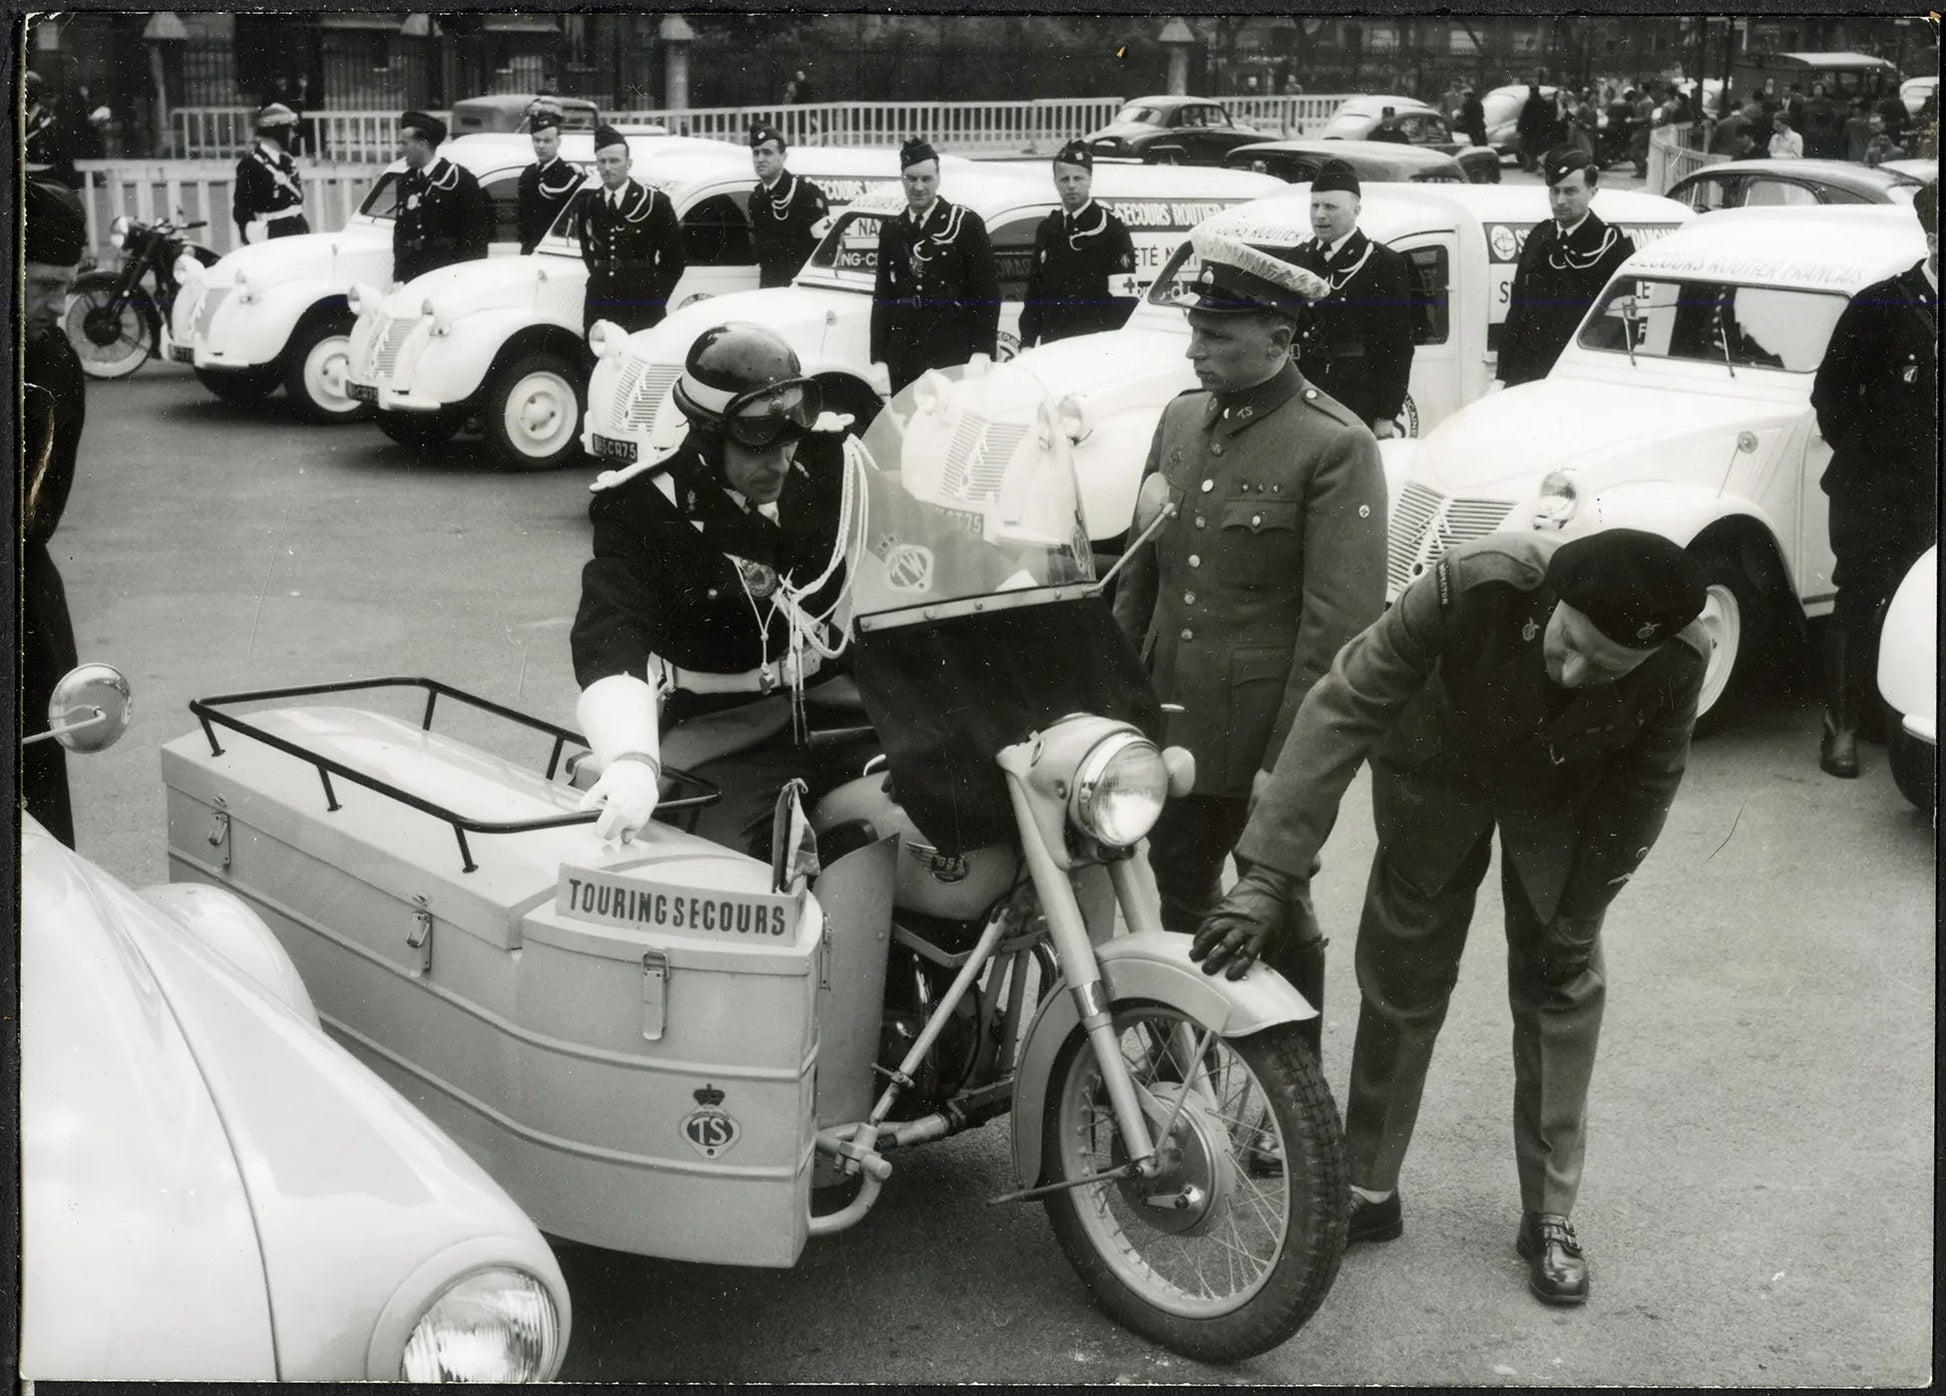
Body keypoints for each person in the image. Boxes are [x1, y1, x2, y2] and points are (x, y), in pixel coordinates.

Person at [1194, 527, 1709, 1307]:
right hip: (1438, 772)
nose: (1574, 672)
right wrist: (1271, 871)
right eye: (1569, 642)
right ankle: (1367, 1188)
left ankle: (1550, 1215)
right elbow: (1347, 701)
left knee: (1562, 980)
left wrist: (1581, 915)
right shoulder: (1478, 583)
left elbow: (1644, 795)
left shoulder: (1680, 660)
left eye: (1605, 670)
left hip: (1561, 799)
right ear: (1553, 600)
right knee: (1403, 974)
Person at [1111, 229, 1388, 1052]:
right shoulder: (1181, 419)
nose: (1194, 351)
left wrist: (1288, 763)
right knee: (1171, 885)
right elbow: (1141, 578)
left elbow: (1338, 631)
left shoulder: (1334, 444)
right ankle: (1174, 1064)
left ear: (1278, 339)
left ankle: (1289, 1079)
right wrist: (1115, 702)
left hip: (1262, 729)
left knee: (1276, 903)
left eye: (1217, 338)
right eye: (1195, 332)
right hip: (1169, 715)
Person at [571, 322, 869, 855]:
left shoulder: (830, 465)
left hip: (840, 707)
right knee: (726, 869)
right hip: (726, 729)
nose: (780, 462)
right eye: (759, 449)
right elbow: (608, 636)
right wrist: (631, 759)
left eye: (789, 440)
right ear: (709, 437)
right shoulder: (644, 510)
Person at [1809, 179, 1938, 779]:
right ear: (1931, 236)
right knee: (1862, 598)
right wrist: (1869, 458)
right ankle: (1842, 728)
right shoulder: (1881, 304)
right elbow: (1829, 393)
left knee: (1919, 607)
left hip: (1931, 494)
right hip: (1872, 490)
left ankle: (1900, 720)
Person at [21, 181, 92, 848]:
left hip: (20, 612)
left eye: (66, 284)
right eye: (43, 283)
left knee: (39, 828)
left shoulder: (51, 364)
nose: (59, 303)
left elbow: (34, 517)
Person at [1290, 160, 1414, 437]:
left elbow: (1397, 347)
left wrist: (1385, 414)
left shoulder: (1382, 263)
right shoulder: (1300, 257)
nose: (1320, 215)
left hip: (1354, 400)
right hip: (1301, 393)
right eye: (1315, 206)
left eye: (1330, 207)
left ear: (1356, 210)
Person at [869, 137, 1000, 394]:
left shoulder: (965, 224)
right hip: (904, 352)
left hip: (951, 349)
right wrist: (879, 358)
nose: (918, 187)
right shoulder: (893, 230)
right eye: (911, 178)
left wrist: (982, 350)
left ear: (938, 179)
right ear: (902, 178)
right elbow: (883, 296)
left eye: (926, 179)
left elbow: (986, 292)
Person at [1497, 148, 1635, 388]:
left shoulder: (1612, 246)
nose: (1560, 201)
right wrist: (1502, 376)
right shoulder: (1538, 237)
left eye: (1570, 191)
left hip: (1577, 379)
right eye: (1555, 191)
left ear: (1593, 192)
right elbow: (1517, 312)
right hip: (1527, 376)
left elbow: (1616, 326)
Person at [1018, 139, 1139, 347]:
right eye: (1064, 179)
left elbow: (1124, 300)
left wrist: (1111, 348)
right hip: (1053, 343)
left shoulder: (1111, 228)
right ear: (1055, 182)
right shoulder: (1048, 228)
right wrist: (1027, 340)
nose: (1071, 185)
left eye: (1078, 178)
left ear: (1090, 180)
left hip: (1092, 345)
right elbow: (1035, 293)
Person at [575, 122, 685, 335]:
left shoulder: (655, 202)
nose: (608, 167)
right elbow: (588, 253)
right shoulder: (589, 203)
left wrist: (655, 296)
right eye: (602, 161)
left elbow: (675, 259)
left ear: (629, 163)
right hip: (600, 304)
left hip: (642, 305)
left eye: (615, 161)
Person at [391, 110, 491, 284]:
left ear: (422, 144)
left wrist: (466, 281)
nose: (400, 149)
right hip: (413, 278)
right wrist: (399, 277)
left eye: (404, 143)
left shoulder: (459, 180)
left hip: (447, 277)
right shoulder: (406, 181)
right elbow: (401, 235)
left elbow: (476, 238)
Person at [747, 123, 830, 289]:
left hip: (800, 288)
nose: (760, 159)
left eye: (767, 152)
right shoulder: (756, 197)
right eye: (756, 153)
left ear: (784, 157)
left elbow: (824, 249)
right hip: (769, 288)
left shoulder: (805, 193)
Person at [232, 103, 310, 244]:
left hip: (298, 229)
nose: (293, 134)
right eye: (290, 129)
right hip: (273, 235)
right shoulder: (251, 164)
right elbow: (242, 211)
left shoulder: (287, 161)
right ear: (278, 131)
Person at [515, 103, 581, 256]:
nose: (541, 146)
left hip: (557, 251)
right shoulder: (528, 173)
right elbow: (522, 219)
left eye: (547, 141)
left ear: (558, 142)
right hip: (529, 251)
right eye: (536, 140)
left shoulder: (569, 176)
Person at [23, 70, 78, 189]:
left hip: (45, 182)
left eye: (29, 91)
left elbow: (64, 157)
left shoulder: (51, 122)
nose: (25, 96)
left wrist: (70, 189)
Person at [1517, 81, 1552, 170]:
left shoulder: (1530, 102)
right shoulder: (1542, 102)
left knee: (1528, 147)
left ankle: (1531, 165)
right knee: (1533, 148)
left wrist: (1519, 126)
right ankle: (1533, 164)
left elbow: (1523, 115)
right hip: (1537, 129)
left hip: (1530, 129)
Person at [1843, 98, 1875, 163]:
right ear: (1870, 110)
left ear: (1859, 110)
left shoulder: (1849, 122)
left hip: (1853, 154)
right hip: (1869, 154)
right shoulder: (1873, 123)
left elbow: (1844, 136)